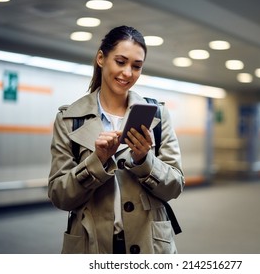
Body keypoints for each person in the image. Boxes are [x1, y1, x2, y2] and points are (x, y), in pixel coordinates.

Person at [48, 25, 185, 254]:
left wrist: (144, 160)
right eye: (120, 62)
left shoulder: (157, 115)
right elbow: (60, 195)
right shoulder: (69, 119)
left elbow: (174, 187)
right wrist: (97, 161)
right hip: (91, 245)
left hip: (150, 245)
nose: (128, 73)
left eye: (136, 66)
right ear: (101, 58)